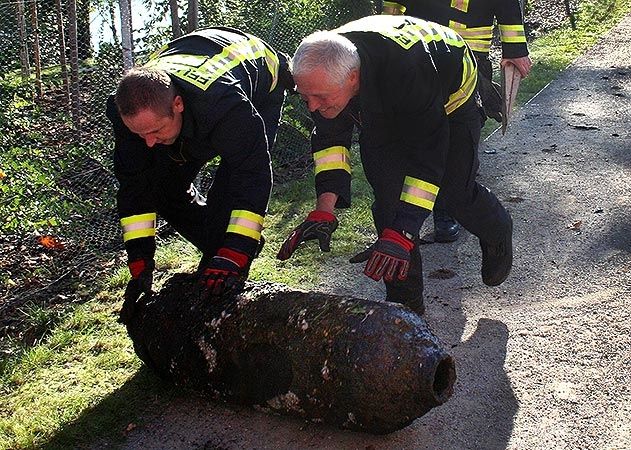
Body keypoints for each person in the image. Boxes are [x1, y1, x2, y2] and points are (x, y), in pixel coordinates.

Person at [276, 15, 513, 315]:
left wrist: (404, 231)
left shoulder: (407, 70)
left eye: (319, 98)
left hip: (448, 99)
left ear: (352, 78)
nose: (311, 106)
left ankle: (498, 229)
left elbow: (428, 158)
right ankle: (405, 305)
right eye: (304, 97)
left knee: (453, 192)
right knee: (388, 203)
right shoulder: (322, 71)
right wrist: (324, 209)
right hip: (387, 98)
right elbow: (329, 143)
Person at [106, 27, 291, 323]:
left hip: (260, 87)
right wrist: (140, 261)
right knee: (162, 188)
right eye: (140, 134)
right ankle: (219, 249)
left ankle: (228, 270)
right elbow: (135, 185)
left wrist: (235, 249)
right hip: (196, 92)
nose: (149, 142)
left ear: (177, 105)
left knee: (228, 195)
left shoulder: (227, 107)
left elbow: (252, 176)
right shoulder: (130, 113)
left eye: (155, 131)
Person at [381, 0, 532, 243]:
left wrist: (515, 48)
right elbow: (391, 7)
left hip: (469, 55)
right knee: (417, 136)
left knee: (458, 138)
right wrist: (385, 44)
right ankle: (410, 218)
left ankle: (446, 208)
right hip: (418, 55)